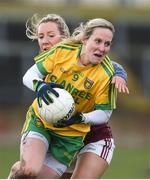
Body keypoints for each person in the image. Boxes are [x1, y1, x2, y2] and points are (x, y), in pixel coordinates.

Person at [8, 14, 129, 179]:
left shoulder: (102, 69)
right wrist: (40, 86)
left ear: (65, 37)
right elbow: (30, 75)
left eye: (51, 35)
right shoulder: (58, 54)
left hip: (82, 134)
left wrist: (120, 73)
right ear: (84, 40)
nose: (45, 41)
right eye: (41, 36)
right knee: (29, 171)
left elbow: (110, 66)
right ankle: (21, 170)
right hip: (44, 123)